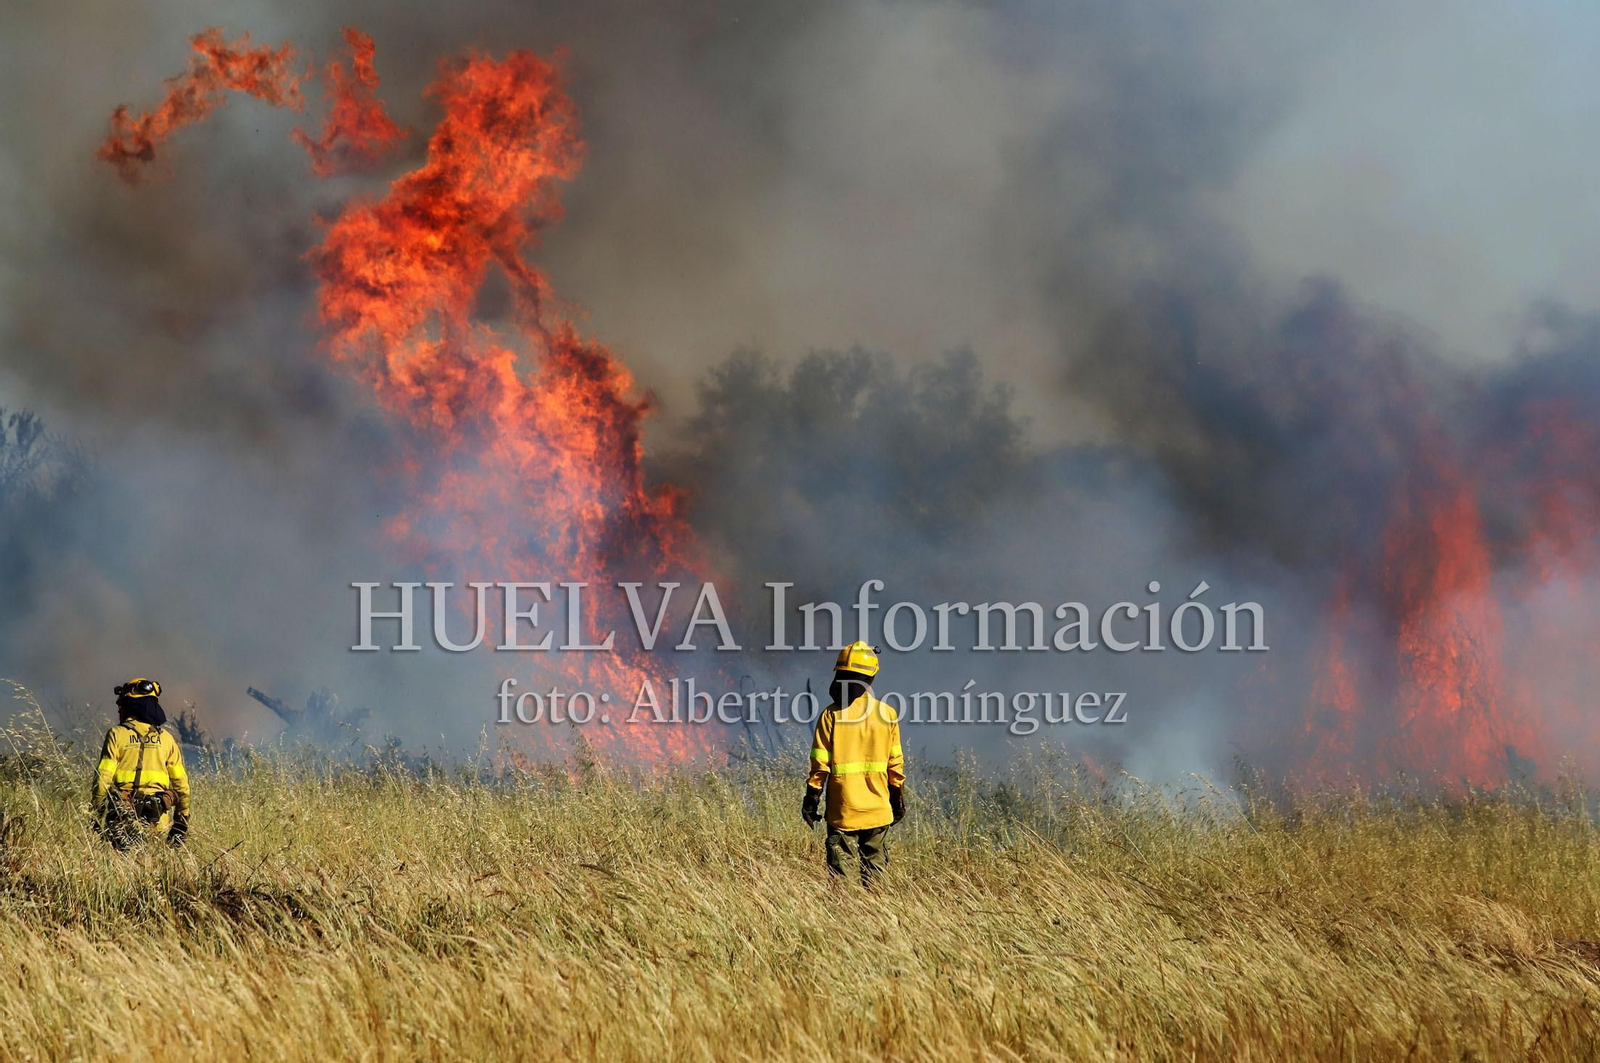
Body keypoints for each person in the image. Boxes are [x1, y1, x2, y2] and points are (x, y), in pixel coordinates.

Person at [802, 642, 905, 885]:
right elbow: (895, 765)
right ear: (872, 675)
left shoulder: (830, 715)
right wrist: (897, 798)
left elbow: (820, 765)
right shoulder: (887, 713)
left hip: (843, 812)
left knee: (842, 883)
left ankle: (846, 921)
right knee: (877, 881)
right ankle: (877, 921)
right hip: (878, 811)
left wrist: (811, 799)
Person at [93, 678, 191, 850]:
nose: (119, 711)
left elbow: (102, 780)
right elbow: (182, 786)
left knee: (120, 871)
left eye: (121, 706)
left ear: (131, 706)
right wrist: (181, 822)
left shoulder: (116, 734)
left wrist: (97, 814)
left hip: (122, 821)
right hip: (157, 824)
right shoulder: (167, 739)